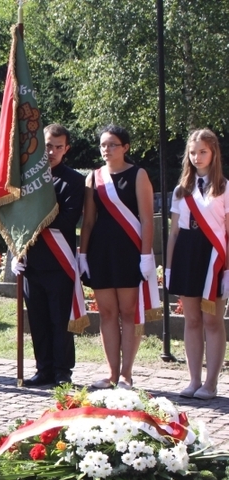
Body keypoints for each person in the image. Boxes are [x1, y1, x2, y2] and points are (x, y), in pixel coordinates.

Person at [78, 125, 156, 390]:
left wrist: (146, 255)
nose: (106, 150)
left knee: (128, 312)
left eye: (112, 144)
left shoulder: (138, 174)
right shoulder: (94, 177)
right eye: (103, 145)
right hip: (101, 252)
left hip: (129, 250)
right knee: (107, 313)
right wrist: (83, 254)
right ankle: (111, 372)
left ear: (125, 147)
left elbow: (147, 219)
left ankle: (126, 373)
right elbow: (88, 221)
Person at [13, 124, 86, 387]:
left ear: (66, 149)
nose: (52, 151)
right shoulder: (25, 179)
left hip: (59, 263)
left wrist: (36, 220)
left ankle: (62, 371)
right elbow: (15, 219)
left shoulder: (75, 181)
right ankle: (43, 369)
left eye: (58, 146)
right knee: (38, 320)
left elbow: (68, 219)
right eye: (47, 145)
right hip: (31, 261)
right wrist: (15, 252)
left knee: (59, 320)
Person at [165, 128, 229, 400]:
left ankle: (211, 383)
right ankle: (193, 380)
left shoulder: (225, 188)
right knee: (191, 320)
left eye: (203, 151)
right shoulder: (181, 191)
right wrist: (168, 268)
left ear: (213, 153)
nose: (197, 157)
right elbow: (174, 232)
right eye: (192, 152)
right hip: (187, 255)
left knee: (212, 320)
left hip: (214, 258)